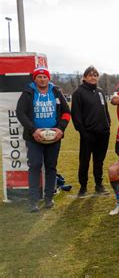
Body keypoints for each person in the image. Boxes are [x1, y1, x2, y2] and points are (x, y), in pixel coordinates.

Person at [16, 67, 71, 212]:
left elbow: (66, 112)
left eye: (44, 77)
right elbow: (20, 112)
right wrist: (33, 130)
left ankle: (48, 198)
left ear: (49, 78)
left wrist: (60, 128)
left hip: (54, 137)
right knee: (34, 166)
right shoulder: (28, 92)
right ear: (35, 78)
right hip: (34, 138)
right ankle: (33, 201)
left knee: (51, 167)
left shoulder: (56, 92)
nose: (42, 79)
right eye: (39, 77)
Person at [71, 66, 111, 198]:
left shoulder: (100, 91)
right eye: (90, 75)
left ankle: (99, 185)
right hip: (88, 134)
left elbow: (105, 111)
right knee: (85, 161)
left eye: (95, 75)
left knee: (99, 161)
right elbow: (76, 116)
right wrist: (83, 132)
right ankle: (83, 187)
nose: (93, 77)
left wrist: (108, 125)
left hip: (103, 133)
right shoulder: (78, 93)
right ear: (84, 77)